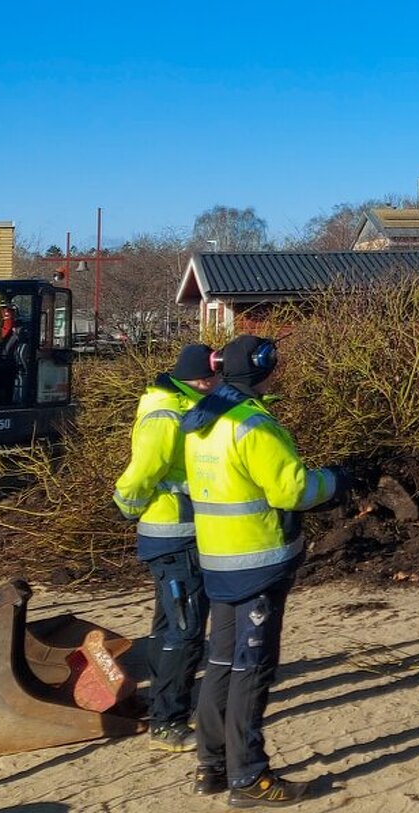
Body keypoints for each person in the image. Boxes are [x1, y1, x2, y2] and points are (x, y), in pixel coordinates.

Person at [180, 335, 345, 806]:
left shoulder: (201, 420)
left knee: (220, 664)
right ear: (262, 369)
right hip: (258, 562)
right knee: (252, 669)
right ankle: (249, 778)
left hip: (218, 559)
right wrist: (336, 480)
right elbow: (292, 491)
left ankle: (211, 766)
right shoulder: (253, 425)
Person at [113, 343, 218, 752]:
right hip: (173, 532)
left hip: (181, 533)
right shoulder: (167, 411)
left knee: (169, 625)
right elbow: (144, 470)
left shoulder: (185, 404)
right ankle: (167, 723)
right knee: (185, 630)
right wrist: (127, 504)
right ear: (204, 379)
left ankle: (161, 705)